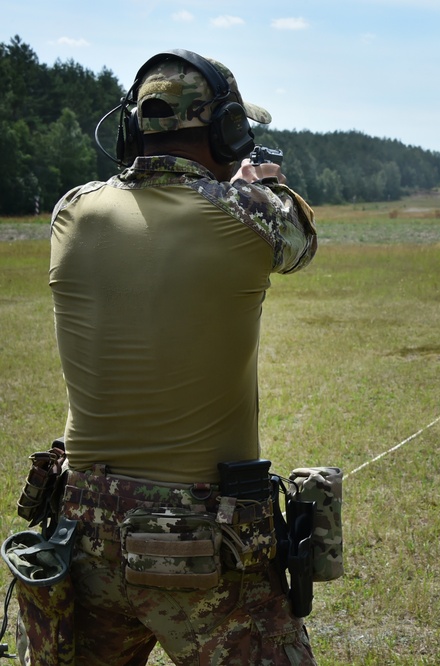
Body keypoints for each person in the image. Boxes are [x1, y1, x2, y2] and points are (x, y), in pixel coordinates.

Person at [21, 49, 318, 665]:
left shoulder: (72, 212)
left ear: (131, 129)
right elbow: (298, 246)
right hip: (205, 533)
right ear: (226, 131)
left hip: (80, 526)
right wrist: (260, 181)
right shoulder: (251, 213)